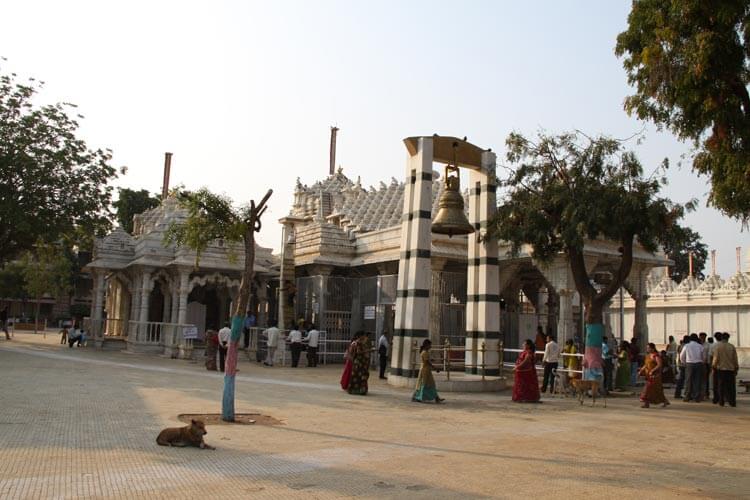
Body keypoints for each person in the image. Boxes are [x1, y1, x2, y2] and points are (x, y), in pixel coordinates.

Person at [412, 339, 444, 403]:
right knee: (425, 384)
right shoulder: (425, 353)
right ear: (426, 345)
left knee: (427, 384)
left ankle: (436, 398)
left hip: (426, 370)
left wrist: (431, 361)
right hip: (425, 371)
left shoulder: (425, 352)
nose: (430, 346)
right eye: (430, 345)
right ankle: (417, 397)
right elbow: (427, 362)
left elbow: (427, 361)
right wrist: (435, 368)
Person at [638, 343, 669, 408]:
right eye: (647, 348)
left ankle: (663, 400)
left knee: (651, 389)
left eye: (648, 348)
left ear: (652, 348)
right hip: (648, 375)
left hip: (655, 376)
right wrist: (641, 371)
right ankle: (647, 404)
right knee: (651, 390)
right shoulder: (648, 356)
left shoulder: (656, 356)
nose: (647, 349)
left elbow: (659, 364)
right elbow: (646, 365)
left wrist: (653, 370)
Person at [712, 332, 739, 407]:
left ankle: (721, 401)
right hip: (730, 369)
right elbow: (735, 358)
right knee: (731, 387)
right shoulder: (731, 346)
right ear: (728, 338)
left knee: (721, 386)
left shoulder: (718, 347)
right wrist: (736, 367)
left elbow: (716, 358)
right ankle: (732, 402)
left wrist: (713, 366)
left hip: (721, 370)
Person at [679, 333, 705, 402]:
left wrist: (684, 362)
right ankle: (696, 397)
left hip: (689, 363)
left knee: (688, 380)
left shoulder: (686, 346)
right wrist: (702, 362)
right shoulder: (700, 346)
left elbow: (681, 356)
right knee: (697, 380)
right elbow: (703, 356)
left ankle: (687, 396)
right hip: (698, 364)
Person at [347, 331, 371, 395]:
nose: (364, 337)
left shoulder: (358, 342)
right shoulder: (359, 343)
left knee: (356, 376)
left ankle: (355, 390)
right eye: (363, 335)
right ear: (361, 336)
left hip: (358, 362)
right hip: (359, 362)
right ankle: (360, 390)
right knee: (360, 376)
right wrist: (368, 350)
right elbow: (358, 352)